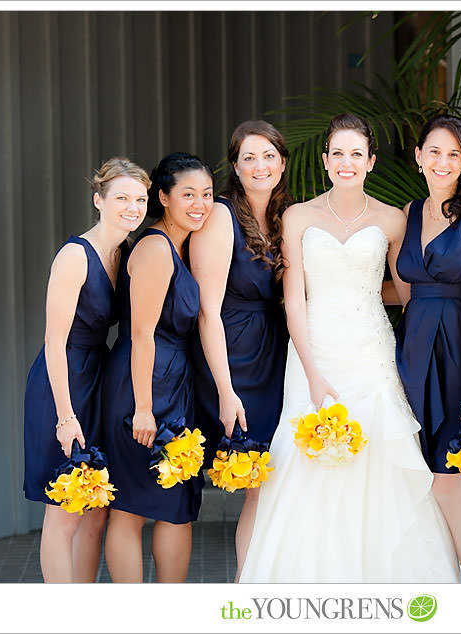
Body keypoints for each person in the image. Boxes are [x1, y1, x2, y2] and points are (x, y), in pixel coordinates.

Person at [239, 113, 461, 583]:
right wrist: (313, 371)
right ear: (324, 161)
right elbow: (293, 297)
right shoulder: (298, 216)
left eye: (356, 154)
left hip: (372, 352)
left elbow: (408, 292)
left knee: (381, 459)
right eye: (337, 153)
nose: (347, 162)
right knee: (305, 462)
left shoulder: (392, 219)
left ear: (371, 161)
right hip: (312, 349)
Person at [22, 157, 150, 582]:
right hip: (64, 383)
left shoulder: (126, 252)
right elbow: (54, 342)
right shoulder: (75, 256)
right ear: (99, 201)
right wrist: (65, 416)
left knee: (96, 510)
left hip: (98, 381)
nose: (133, 207)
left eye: (140, 199)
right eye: (122, 198)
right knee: (65, 512)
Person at [394, 114, 461, 583]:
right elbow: (400, 290)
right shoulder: (408, 212)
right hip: (412, 348)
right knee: (418, 481)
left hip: (458, 347)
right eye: (433, 151)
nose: (442, 161)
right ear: (418, 157)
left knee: (449, 482)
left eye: (453, 153)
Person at [101, 152, 214, 582]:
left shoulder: (184, 248)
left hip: (175, 385)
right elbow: (142, 334)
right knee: (130, 507)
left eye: (206, 194)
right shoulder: (154, 247)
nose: (199, 203)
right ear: (163, 197)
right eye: (188, 194)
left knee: (176, 507)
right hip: (141, 386)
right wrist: (144, 408)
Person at [190, 120, 291, 582]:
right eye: (249, 157)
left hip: (277, 355)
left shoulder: (286, 215)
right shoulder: (221, 216)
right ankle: (246, 590)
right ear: (234, 165)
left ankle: (262, 584)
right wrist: (225, 391)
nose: (260, 165)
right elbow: (207, 310)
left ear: (282, 162)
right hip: (235, 358)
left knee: (272, 483)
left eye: (268, 155)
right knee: (257, 482)